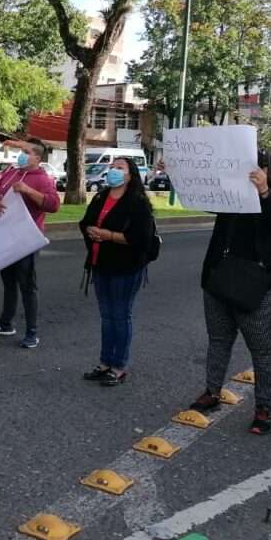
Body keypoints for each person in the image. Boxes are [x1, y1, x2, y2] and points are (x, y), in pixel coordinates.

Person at [187, 151, 271, 435]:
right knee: (218, 340)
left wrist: (263, 191)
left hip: (257, 286)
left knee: (261, 350)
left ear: (268, 169)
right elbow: (199, 196)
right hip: (218, 281)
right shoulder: (229, 195)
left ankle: (263, 407)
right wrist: (178, 171)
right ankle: (212, 391)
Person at [78, 157, 155, 387]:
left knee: (121, 316)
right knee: (107, 316)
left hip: (126, 267)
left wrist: (108, 235)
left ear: (130, 175)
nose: (113, 171)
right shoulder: (101, 196)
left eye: (119, 168)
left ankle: (119, 366)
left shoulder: (137, 202)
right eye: (112, 167)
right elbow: (86, 222)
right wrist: (90, 230)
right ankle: (105, 363)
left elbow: (141, 238)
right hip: (100, 264)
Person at [0, 137, 60, 347]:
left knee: (27, 286)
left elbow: (53, 205)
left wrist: (27, 190)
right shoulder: (12, 171)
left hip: (26, 240)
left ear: (37, 156)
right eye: (21, 150)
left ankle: (31, 332)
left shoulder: (43, 178)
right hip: (6, 237)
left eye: (26, 151)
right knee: (8, 282)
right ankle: (6, 322)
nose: (21, 154)